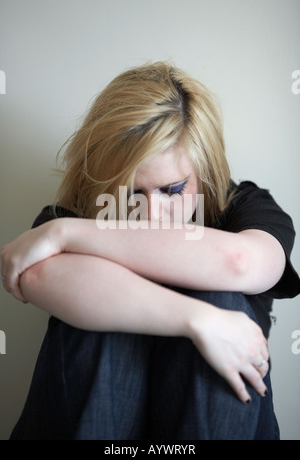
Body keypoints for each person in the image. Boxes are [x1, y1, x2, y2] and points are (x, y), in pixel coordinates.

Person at [1, 62, 300, 440]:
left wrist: (65, 235)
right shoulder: (75, 212)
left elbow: (243, 262)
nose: (151, 214)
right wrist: (198, 321)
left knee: (220, 294)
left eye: (172, 190)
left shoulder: (243, 206)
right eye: (130, 193)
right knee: (99, 315)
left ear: (205, 171)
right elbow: (40, 275)